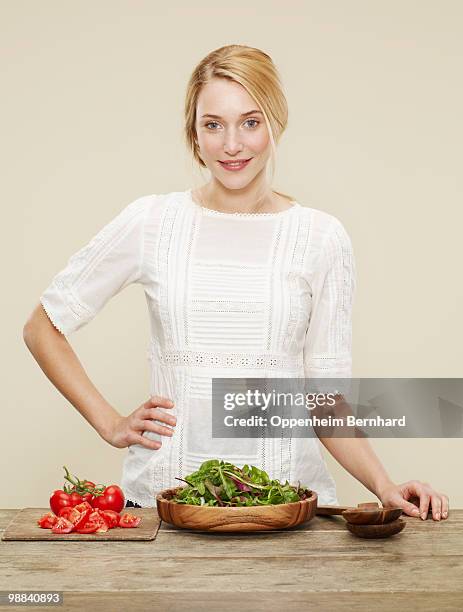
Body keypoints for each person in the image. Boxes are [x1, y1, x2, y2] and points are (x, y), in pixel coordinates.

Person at [23, 44, 448, 520]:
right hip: (167, 508)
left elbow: (325, 402)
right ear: (194, 133)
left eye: (250, 122)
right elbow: (42, 327)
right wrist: (109, 423)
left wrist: (385, 485)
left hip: (289, 510)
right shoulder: (152, 222)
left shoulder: (320, 237)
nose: (231, 145)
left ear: (275, 123)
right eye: (213, 124)